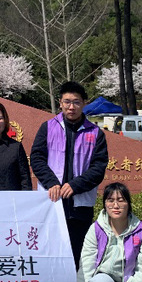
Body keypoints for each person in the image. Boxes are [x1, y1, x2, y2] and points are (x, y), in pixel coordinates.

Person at [30, 81, 108, 270]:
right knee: (49, 254)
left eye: (76, 102)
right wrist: (51, 182)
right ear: (60, 103)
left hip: (79, 207)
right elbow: (37, 158)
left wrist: (75, 185)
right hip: (52, 202)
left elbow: (98, 168)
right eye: (67, 102)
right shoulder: (48, 127)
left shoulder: (95, 133)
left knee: (75, 256)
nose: (71, 107)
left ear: (84, 103)